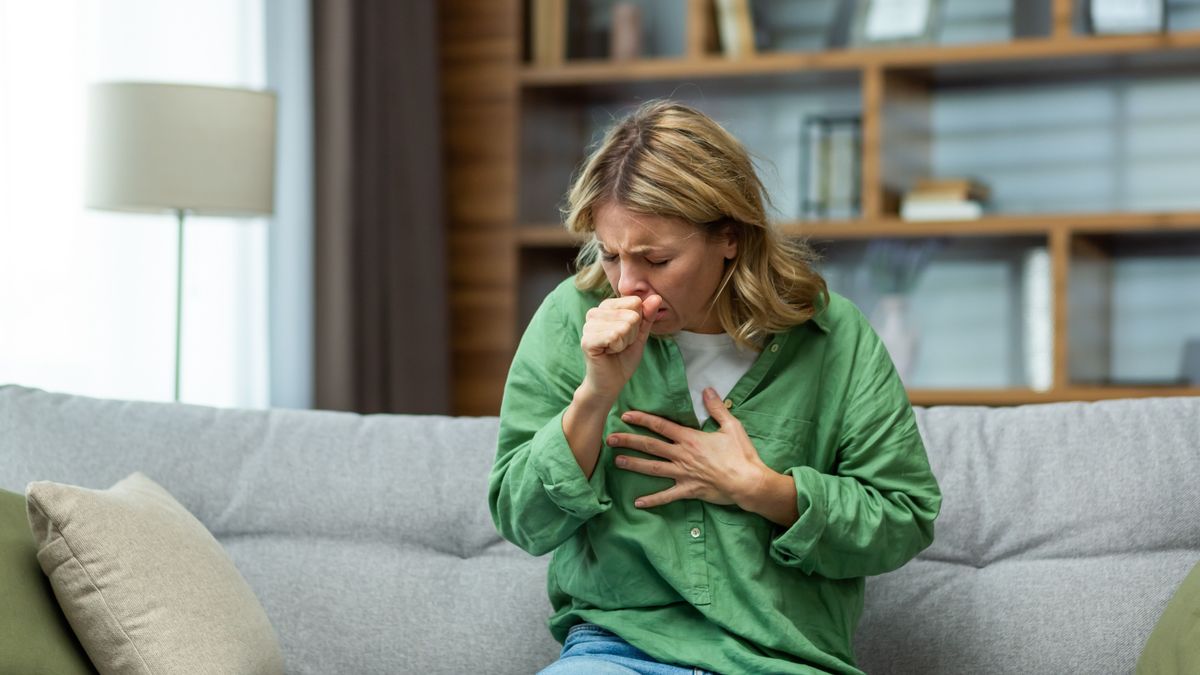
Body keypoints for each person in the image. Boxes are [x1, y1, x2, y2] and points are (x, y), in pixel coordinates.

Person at [488, 100, 942, 675]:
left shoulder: (833, 337)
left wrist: (766, 491)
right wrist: (595, 394)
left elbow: (904, 518)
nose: (628, 284)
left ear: (729, 236)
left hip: (781, 659)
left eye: (657, 259)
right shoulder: (569, 318)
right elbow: (521, 520)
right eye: (610, 255)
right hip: (619, 651)